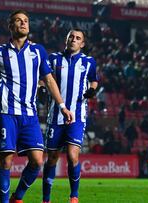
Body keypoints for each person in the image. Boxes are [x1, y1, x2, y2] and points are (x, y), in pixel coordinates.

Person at [0, 10, 73, 203]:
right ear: (10, 26)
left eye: (26, 21)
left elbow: (49, 80)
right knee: (6, 161)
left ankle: (19, 196)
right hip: (6, 113)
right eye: (18, 21)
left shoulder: (38, 51)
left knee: (37, 161)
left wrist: (62, 106)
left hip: (30, 115)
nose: (23, 23)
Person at [42, 28, 98, 203]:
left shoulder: (89, 62)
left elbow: (94, 80)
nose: (74, 39)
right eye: (71, 37)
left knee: (73, 156)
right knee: (52, 158)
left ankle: (74, 196)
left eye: (78, 38)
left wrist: (92, 90)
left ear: (82, 43)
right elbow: (44, 78)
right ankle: (46, 199)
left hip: (77, 116)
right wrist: (42, 88)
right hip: (55, 116)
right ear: (66, 40)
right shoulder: (53, 58)